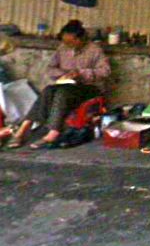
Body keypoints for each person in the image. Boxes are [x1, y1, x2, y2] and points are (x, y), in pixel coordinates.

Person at [0, 20, 110, 149]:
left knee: (62, 93)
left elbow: (105, 71)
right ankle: (23, 129)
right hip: (67, 84)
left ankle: (53, 133)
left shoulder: (94, 50)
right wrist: (64, 74)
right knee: (48, 90)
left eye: (70, 42)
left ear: (80, 39)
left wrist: (81, 73)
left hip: (88, 87)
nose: (67, 45)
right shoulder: (62, 49)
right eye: (65, 42)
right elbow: (50, 68)